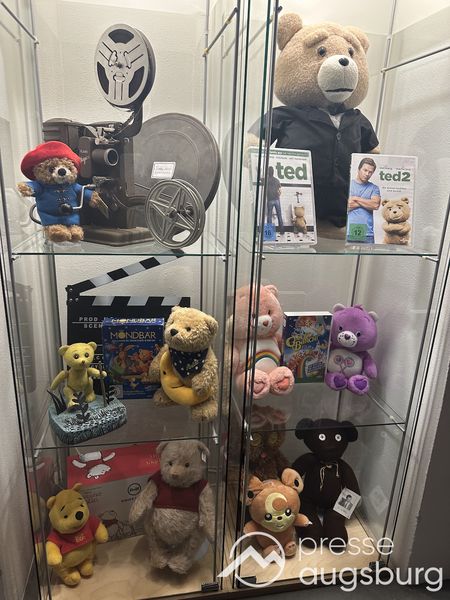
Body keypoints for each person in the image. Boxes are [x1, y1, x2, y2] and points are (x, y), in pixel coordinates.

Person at [347, 157, 381, 244]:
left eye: (370, 172)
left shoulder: (374, 188)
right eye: (365, 170)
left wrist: (355, 198)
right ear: (359, 169)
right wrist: (367, 203)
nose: (367, 174)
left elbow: (375, 205)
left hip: (367, 234)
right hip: (349, 232)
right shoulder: (348, 185)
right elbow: (347, 205)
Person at [266, 166, 285, 234]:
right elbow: (280, 191)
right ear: (273, 172)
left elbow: (260, 179)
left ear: (268, 172)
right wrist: (277, 196)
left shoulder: (266, 180)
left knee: (269, 216)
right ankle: (282, 231)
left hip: (270, 200)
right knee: (279, 215)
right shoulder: (277, 180)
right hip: (277, 200)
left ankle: (270, 233)